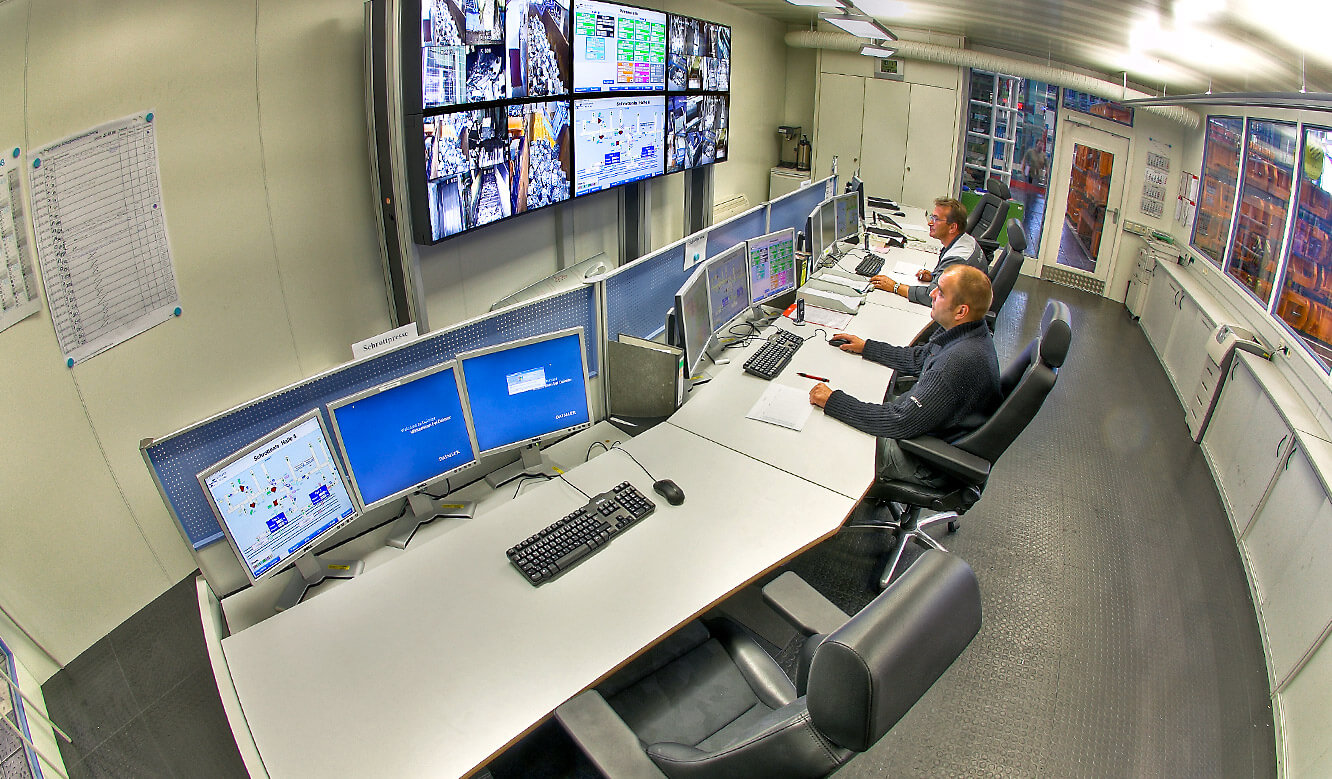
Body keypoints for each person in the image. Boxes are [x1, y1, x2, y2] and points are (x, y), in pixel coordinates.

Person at [809, 265, 1002, 486]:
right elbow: (920, 358)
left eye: (940, 292)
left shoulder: (956, 362)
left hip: (928, 459)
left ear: (961, 311)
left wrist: (834, 401)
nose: (931, 293)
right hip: (934, 431)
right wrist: (867, 347)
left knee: (825, 429)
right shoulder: (968, 332)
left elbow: (898, 421)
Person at [870, 197, 985, 307]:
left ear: (952, 228)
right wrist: (934, 276)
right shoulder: (965, 240)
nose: (930, 223)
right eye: (931, 217)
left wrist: (895, 287)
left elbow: (932, 296)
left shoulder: (957, 258)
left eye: (936, 219)